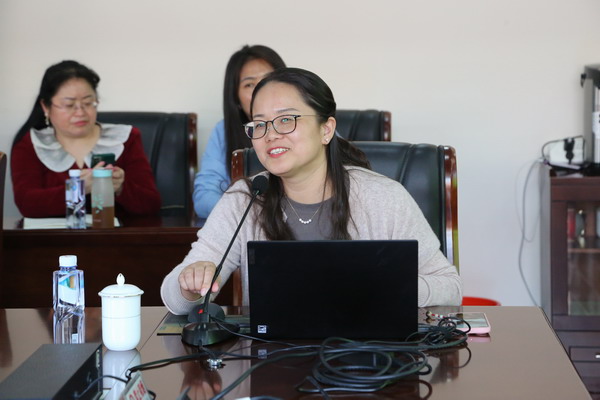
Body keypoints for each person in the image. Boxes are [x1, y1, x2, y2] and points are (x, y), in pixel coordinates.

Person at [161, 67, 462, 315]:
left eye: (286, 120)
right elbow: (174, 298)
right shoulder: (246, 198)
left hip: (367, 358)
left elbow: (450, 287)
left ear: (326, 130)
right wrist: (191, 285)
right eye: (260, 124)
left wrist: (386, 286)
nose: (270, 135)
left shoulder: (384, 197)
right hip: (272, 359)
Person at [11, 60, 161, 218]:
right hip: (54, 234)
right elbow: (27, 204)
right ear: (45, 106)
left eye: (88, 103)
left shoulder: (125, 139)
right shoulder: (31, 143)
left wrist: (121, 188)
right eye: (69, 105)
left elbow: (151, 204)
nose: (80, 112)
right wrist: (80, 188)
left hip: (114, 232)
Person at [193, 45, 286, 218]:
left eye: (268, 80)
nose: (260, 90)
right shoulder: (223, 131)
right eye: (249, 84)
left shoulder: (311, 121)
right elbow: (204, 198)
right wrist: (253, 215)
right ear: (236, 98)